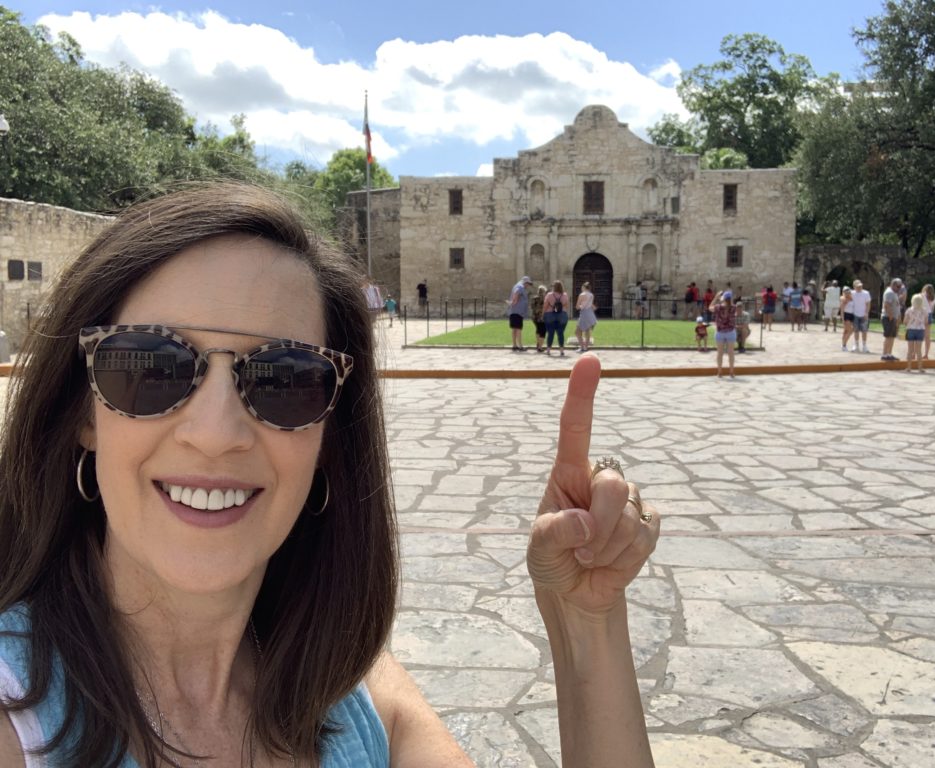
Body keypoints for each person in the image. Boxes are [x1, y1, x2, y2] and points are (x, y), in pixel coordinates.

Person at [0, 183, 659, 768]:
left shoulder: (349, 697)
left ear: (327, 441)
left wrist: (585, 623)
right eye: (150, 365)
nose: (216, 432)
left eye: (287, 380)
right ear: (83, 413)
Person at [709, 290, 737, 378]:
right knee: (731, 353)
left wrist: (716, 297)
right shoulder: (734, 307)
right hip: (730, 332)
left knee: (719, 353)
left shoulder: (718, 307)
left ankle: (719, 372)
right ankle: (731, 372)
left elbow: (710, 307)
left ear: (723, 298)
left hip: (720, 331)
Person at [544, 280, 571, 356]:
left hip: (550, 315)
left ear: (554, 287)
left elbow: (545, 306)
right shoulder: (565, 295)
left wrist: (543, 313)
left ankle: (548, 350)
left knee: (550, 333)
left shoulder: (549, 295)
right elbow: (567, 306)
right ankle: (561, 350)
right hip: (562, 315)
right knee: (560, 333)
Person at [903, 293, 928, 373]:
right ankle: (920, 368)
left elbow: (905, 321)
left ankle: (909, 367)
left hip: (911, 329)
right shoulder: (924, 310)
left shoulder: (909, 310)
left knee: (910, 350)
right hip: (920, 330)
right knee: (919, 351)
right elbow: (926, 322)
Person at [507, 275, 532, 352]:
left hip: (514, 311)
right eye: (528, 284)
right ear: (525, 282)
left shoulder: (518, 285)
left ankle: (514, 345)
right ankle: (520, 346)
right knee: (518, 329)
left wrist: (512, 303)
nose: (528, 286)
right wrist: (513, 302)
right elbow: (516, 293)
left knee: (514, 328)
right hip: (517, 312)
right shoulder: (520, 287)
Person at [880, 278, 903, 362]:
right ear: (893, 285)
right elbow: (887, 305)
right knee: (888, 336)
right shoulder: (889, 292)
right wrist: (891, 316)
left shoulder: (894, 293)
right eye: (898, 286)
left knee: (892, 336)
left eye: (900, 286)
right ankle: (884, 354)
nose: (899, 288)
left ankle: (889, 354)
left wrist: (898, 318)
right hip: (888, 317)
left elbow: (896, 306)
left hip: (893, 317)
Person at [850, 280, 872, 353]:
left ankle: (864, 346)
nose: (860, 287)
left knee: (864, 331)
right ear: (854, 287)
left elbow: (868, 304)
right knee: (856, 330)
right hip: (855, 314)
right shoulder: (852, 293)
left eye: (861, 286)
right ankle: (856, 345)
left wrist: (866, 313)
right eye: (858, 286)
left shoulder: (866, 293)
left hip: (863, 315)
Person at [575, 281, 598, 352]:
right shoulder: (591, 295)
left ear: (584, 287)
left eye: (582, 287)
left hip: (584, 313)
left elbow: (577, 307)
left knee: (577, 331)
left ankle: (582, 347)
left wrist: (580, 306)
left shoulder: (582, 295)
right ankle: (586, 347)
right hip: (590, 313)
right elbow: (590, 305)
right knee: (587, 331)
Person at [530, 283, 548, 353]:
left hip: (534, 317)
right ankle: (540, 347)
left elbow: (532, 307)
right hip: (542, 317)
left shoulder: (534, 298)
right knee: (543, 332)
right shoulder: (545, 299)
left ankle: (538, 344)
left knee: (538, 330)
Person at [922, 283, 935, 359]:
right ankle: (926, 353)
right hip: (930, 315)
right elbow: (932, 309)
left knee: (919, 334)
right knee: (927, 336)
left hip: (922, 314)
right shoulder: (934, 298)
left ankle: (914, 353)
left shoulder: (922, 296)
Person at [839, 286, 855, 351]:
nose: (847, 293)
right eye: (845, 292)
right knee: (850, 330)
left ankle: (843, 344)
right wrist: (842, 319)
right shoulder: (843, 299)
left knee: (846, 331)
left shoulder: (852, 298)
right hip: (846, 315)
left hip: (852, 314)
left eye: (848, 292)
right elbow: (842, 310)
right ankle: (844, 344)